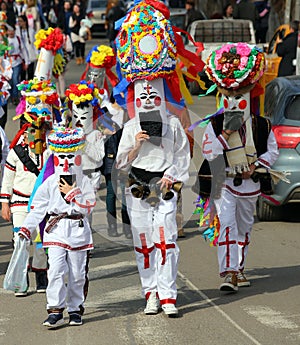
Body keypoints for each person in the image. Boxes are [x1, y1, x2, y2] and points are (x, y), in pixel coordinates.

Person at [115, 1, 191, 316]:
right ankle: (151, 292)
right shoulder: (131, 125)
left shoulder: (172, 123)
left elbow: (183, 156)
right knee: (144, 240)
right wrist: (134, 146)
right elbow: (120, 163)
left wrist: (171, 177)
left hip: (166, 182)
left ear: (161, 96)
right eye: (143, 95)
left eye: (153, 95)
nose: (148, 100)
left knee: (167, 237)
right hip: (138, 183)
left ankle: (168, 294)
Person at [202, 42, 279, 292]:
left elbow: (273, 151)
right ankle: (229, 272)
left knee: (244, 228)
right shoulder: (214, 125)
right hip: (224, 183)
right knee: (226, 224)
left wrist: (255, 166)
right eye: (227, 97)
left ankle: (240, 267)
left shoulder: (261, 124)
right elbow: (210, 152)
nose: (233, 103)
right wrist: (226, 134)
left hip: (250, 184)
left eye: (238, 97)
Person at [19, 127, 96, 328]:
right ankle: (55, 310)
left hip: (78, 231)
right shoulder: (50, 182)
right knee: (56, 271)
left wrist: (72, 194)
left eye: (70, 157)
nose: (66, 162)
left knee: (78, 274)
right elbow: (38, 208)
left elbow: (88, 207)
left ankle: (75, 309)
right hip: (56, 230)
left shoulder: (84, 181)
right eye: (61, 157)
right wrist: (26, 228)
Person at [0, 112, 51, 296]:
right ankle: (21, 281)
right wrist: (5, 203)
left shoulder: (48, 150)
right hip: (20, 202)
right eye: (31, 130)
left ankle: (40, 276)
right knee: (20, 241)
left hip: (41, 203)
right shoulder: (16, 152)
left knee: (39, 242)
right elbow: (7, 180)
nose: (35, 133)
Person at [16, 14, 38, 81]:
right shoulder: (17, 31)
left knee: (30, 74)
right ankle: (22, 90)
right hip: (22, 56)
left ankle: (30, 89)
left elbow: (35, 43)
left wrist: (37, 54)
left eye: (20, 21)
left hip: (31, 55)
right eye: (18, 21)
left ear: (25, 22)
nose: (19, 23)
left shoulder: (31, 31)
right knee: (22, 75)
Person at [7, 25, 24, 106]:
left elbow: (22, 50)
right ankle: (9, 95)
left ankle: (15, 97)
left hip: (17, 62)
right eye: (9, 31)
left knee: (16, 79)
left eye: (12, 30)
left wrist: (26, 61)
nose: (11, 32)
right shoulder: (4, 40)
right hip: (8, 63)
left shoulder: (18, 39)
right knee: (9, 81)